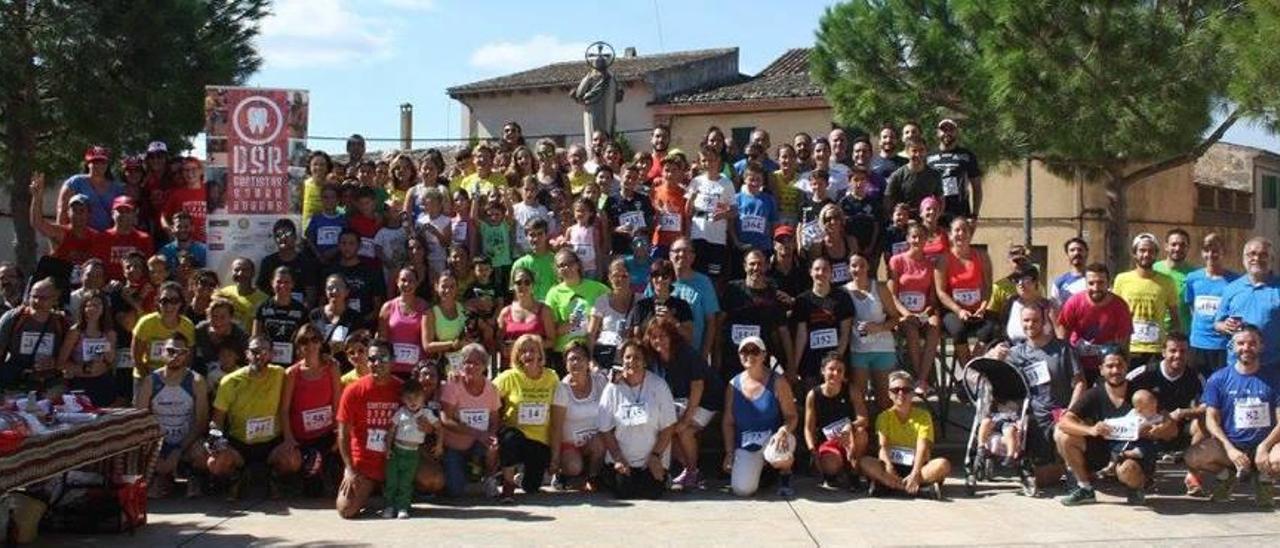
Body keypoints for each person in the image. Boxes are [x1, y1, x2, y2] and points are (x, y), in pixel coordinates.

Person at [988, 305, 1086, 486]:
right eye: (1026, 320)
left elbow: (1080, 383)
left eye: (1035, 320)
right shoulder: (1015, 353)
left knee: (1060, 443)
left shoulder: (1063, 349)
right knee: (1042, 481)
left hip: (1059, 413)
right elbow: (986, 373)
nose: (1030, 324)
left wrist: (1071, 411)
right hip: (1033, 418)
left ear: (1045, 322)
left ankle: (1072, 467)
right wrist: (995, 356)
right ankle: (1052, 466)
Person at [1184, 327, 1280, 507]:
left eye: (1252, 343)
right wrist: (1229, 449)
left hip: (1266, 445)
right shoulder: (1218, 379)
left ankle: (1264, 479)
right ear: (1232, 347)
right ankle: (1226, 475)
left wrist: (1264, 446)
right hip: (1233, 446)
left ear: (1261, 347)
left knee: (1278, 460)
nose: (1246, 348)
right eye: (1241, 343)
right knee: (1192, 457)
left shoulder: (1275, 378)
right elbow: (1211, 419)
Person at [1056, 353, 1157, 505]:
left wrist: (1154, 431)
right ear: (1101, 370)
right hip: (1103, 450)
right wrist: (1090, 430)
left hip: (1132, 452)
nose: (1115, 370)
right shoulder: (1094, 394)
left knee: (1128, 469)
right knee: (1064, 437)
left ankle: (1136, 488)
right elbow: (1064, 421)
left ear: (1126, 367)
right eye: (1110, 366)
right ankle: (1085, 488)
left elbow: (1168, 424)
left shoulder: (1140, 395)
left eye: (1119, 365)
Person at [208, 335, 290, 500]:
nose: (259, 355)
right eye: (254, 351)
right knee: (214, 464)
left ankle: (273, 477)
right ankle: (236, 477)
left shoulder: (280, 374)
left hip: (271, 442)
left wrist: (326, 358)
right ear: (247, 354)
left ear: (272, 355)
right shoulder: (229, 381)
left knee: (293, 460)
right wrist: (216, 443)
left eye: (264, 351)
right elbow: (217, 420)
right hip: (240, 443)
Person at [644, 317, 722, 491]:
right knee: (666, 428)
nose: (658, 341)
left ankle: (693, 472)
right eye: (654, 336)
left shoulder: (687, 354)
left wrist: (686, 419)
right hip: (680, 400)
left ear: (672, 336)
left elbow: (698, 386)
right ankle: (687, 468)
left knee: (684, 430)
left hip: (706, 400)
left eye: (662, 336)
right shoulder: (654, 358)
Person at [1126, 333, 1207, 495]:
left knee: (1203, 423)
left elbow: (1208, 406)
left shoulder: (1195, 377)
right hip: (1148, 427)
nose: (1178, 355)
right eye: (1173, 351)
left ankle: (1193, 475)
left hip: (1180, 427)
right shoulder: (1144, 373)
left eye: (1183, 351)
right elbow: (1122, 400)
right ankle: (1144, 473)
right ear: (1163, 352)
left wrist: (1184, 412)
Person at [598, 340, 678, 499]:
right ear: (622, 359)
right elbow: (604, 429)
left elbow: (669, 426)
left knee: (652, 493)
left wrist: (656, 457)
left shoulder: (659, 385)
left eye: (637, 358)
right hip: (622, 460)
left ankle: (664, 475)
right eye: (627, 357)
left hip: (652, 459)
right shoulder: (612, 388)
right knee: (624, 492)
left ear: (645, 361)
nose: (632, 362)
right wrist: (618, 458)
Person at [721, 336, 799, 497]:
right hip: (745, 444)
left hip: (772, 440)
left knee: (779, 454)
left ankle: (785, 474)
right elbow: (728, 422)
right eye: (744, 351)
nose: (749, 355)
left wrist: (783, 431)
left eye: (755, 351)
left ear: (764, 355)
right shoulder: (732, 385)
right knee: (742, 490)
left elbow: (791, 416)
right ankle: (762, 471)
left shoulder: (778, 381)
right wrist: (729, 453)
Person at [134, 334, 208, 498]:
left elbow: (201, 423)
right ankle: (161, 477)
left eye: (180, 352)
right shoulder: (150, 382)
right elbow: (140, 421)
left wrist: (178, 450)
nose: (175, 356)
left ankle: (192, 476)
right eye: (170, 350)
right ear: (162, 352)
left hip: (187, 441)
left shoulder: (196, 381)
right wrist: (156, 451)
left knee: (203, 453)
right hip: (158, 441)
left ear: (187, 354)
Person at [335, 340, 402, 517]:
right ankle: (374, 489)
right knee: (346, 509)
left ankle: (397, 488)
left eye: (383, 358)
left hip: (396, 460)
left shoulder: (402, 389)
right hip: (364, 462)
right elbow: (343, 434)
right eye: (372, 359)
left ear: (393, 360)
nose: (377, 363)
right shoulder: (353, 390)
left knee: (434, 480)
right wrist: (349, 468)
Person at [494, 334, 563, 503]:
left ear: (540, 354)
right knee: (510, 438)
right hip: (515, 437)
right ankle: (508, 486)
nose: (528, 354)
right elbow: (486, 393)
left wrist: (555, 457)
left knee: (532, 487)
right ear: (517, 355)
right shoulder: (509, 376)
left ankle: (521, 478)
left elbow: (557, 416)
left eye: (532, 350)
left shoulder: (551, 377)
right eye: (523, 351)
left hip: (540, 441)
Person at [860, 371, 950, 499]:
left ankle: (890, 486)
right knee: (864, 462)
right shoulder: (884, 417)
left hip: (917, 464)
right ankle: (915, 489)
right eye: (896, 390)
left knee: (943, 464)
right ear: (889, 394)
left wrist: (915, 472)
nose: (901, 394)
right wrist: (888, 467)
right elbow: (882, 447)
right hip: (892, 465)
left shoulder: (923, 416)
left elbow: (922, 446)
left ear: (913, 393)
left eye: (906, 390)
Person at [277, 325, 343, 495]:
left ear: (321, 343)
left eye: (314, 339)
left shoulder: (332, 368)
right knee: (294, 464)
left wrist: (339, 434)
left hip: (326, 435)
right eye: (304, 341)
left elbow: (338, 404)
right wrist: (289, 439)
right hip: (302, 438)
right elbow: (284, 410)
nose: (310, 345)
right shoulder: (292, 373)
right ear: (298, 346)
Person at [440, 344, 502, 498]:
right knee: (455, 492)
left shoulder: (492, 389)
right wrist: (476, 433)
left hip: (480, 443)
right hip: (456, 445)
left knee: (493, 446)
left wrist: (491, 436)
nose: (471, 366)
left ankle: (490, 478)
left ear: (484, 366)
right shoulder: (453, 385)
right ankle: (463, 472)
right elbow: (445, 419)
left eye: (476, 363)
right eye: (467, 362)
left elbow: (495, 419)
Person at [718, 250, 791, 380]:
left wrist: (791, 365)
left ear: (767, 266)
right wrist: (716, 359)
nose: (756, 268)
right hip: (731, 363)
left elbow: (783, 332)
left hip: (759, 365)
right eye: (752, 264)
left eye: (760, 264)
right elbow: (718, 325)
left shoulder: (774, 295)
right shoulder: (732, 290)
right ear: (745, 266)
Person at [1057, 263, 1133, 385]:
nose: (1096, 288)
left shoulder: (1120, 306)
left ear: (1108, 283)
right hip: (1078, 364)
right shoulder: (1074, 302)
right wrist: (1062, 366)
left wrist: (1123, 371)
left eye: (1101, 283)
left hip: (1106, 365)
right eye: (1091, 283)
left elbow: (1124, 344)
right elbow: (1062, 338)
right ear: (1085, 284)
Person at [1114, 233, 1181, 369]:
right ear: (1134, 254)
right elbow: (1114, 314)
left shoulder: (1167, 281)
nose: (1146, 255)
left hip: (1156, 350)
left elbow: (1175, 318)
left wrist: (1172, 344)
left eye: (1151, 251)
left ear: (1156, 254)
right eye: (1142, 250)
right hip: (1129, 348)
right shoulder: (1122, 279)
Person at [888, 222, 941, 393]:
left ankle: (922, 379)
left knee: (935, 324)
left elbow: (932, 299)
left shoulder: (930, 265)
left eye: (921, 236)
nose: (917, 240)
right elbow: (892, 295)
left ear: (927, 239)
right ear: (908, 238)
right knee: (911, 330)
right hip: (903, 313)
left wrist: (925, 313)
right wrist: (907, 313)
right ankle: (920, 379)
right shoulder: (897, 261)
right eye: (914, 236)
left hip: (922, 312)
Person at [1214, 237, 1280, 373]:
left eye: (1263, 255)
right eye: (1252, 254)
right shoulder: (1231, 288)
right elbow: (1217, 323)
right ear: (1244, 258)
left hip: (1272, 365)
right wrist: (1225, 326)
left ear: (1272, 260)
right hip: (1237, 365)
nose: (1257, 258)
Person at [804, 352, 869, 489]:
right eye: (831, 369)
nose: (835, 373)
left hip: (849, 437)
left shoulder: (851, 390)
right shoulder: (813, 395)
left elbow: (863, 418)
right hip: (828, 441)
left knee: (861, 433)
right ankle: (833, 474)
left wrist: (850, 426)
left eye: (840, 370)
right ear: (823, 371)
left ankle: (854, 473)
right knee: (830, 466)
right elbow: (808, 428)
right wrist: (812, 450)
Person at [790, 257, 855, 390]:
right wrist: (794, 366)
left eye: (825, 269)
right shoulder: (802, 300)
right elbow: (801, 335)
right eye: (817, 269)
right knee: (813, 398)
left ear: (831, 273)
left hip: (836, 359)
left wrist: (837, 361)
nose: (821, 273)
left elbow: (845, 334)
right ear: (810, 272)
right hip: (811, 361)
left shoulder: (842, 298)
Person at [935, 216, 993, 364]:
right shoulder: (944, 259)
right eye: (957, 230)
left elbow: (987, 286)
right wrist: (959, 310)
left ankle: (975, 363)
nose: (961, 234)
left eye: (965, 230)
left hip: (977, 310)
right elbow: (940, 292)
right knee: (959, 331)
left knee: (990, 329)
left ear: (970, 234)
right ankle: (965, 366)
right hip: (953, 310)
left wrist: (982, 308)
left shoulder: (982, 256)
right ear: (950, 234)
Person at [30, 174, 103, 290]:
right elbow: (38, 223)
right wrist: (37, 198)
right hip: (60, 285)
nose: (78, 214)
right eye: (74, 210)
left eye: (82, 210)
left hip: (85, 287)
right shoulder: (61, 232)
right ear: (68, 213)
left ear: (89, 214)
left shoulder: (96, 237)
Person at [845, 254, 899, 409]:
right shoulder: (843, 292)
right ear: (849, 269)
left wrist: (879, 328)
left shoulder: (880, 288)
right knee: (859, 400)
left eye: (862, 265)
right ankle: (863, 431)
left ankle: (884, 431)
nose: (858, 269)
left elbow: (895, 318)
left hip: (883, 348)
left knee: (885, 399)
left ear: (868, 267)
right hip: (858, 350)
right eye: (854, 266)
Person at [381, 379, 441, 519]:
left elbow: (439, 428)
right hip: (397, 451)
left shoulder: (426, 413)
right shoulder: (400, 412)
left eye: (417, 397)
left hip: (413, 452)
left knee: (406, 482)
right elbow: (391, 431)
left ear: (423, 397)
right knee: (392, 480)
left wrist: (439, 445)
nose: (413, 401)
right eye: (408, 398)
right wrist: (388, 448)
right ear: (403, 399)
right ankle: (389, 506)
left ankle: (403, 506)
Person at [552, 342, 607, 490]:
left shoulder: (600, 382)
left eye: (580, 358)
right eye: (572, 359)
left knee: (600, 443)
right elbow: (556, 427)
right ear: (566, 363)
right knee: (574, 467)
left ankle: (593, 478)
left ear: (588, 362)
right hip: (570, 446)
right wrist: (555, 459)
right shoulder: (561, 388)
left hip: (595, 443)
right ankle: (564, 476)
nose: (576, 362)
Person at [1183, 233, 1239, 376]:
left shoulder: (1235, 281)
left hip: (1222, 345)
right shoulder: (1192, 278)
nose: (1211, 254)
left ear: (1223, 252)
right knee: (1198, 386)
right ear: (1202, 253)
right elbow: (1192, 307)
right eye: (1207, 250)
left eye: (1215, 250)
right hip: (1198, 343)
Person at [545, 249, 609, 369]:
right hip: (564, 353)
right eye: (561, 266)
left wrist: (598, 326)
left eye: (569, 263)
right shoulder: (553, 293)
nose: (565, 268)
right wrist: (569, 325)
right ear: (557, 270)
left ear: (578, 264)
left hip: (593, 350)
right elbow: (550, 331)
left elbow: (613, 312)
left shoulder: (598, 288)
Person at [57, 289, 119, 406]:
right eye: (89, 305)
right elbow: (61, 363)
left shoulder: (109, 333)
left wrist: (107, 355)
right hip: (80, 384)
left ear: (104, 308)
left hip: (103, 382)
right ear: (83, 308)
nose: (92, 309)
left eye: (97, 305)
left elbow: (111, 361)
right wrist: (84, 369)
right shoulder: (75, 332)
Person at [663, 238, 720, 360]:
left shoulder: (704, 283)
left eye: (686, 251)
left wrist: (704, 356)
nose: (682, 254)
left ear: (693, 257)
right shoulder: (659, 279)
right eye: (677, 250)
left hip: (692, 355)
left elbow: (711, 322)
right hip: (661, 354)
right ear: (670, 255)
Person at [687, 145, 737, 282]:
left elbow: (734, 211)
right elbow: (689, 212)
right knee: (696, 274)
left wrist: (722, 215)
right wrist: (691, 198)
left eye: (711, 160)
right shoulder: (696, 182)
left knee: (714, 276)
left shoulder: (727, 183)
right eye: (704, 160)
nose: (708, 164)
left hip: (717, 239)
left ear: (718, 160)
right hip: (698, 236)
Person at [132, 282, 197, 380]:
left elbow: (188, 358)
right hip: (146, 373)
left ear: (181, 303)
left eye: (174, 301)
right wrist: (148, 380)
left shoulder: (188, 326)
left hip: (176, 376)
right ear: (158, 302)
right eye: (164, 301)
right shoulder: (146, 323)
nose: (169, 305)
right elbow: (137, 356)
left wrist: (176, 378)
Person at [926, 118, 983, 223]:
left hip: (959, 211)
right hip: (934, 211)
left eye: (951, 130)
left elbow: (977, 187)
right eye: (944, 130)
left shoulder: (967, 156)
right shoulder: (928, 157)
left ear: (957, 132)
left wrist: (974, 214)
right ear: (938, 133)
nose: (947, 133)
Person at [58, 145, 124, 232]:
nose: (99, 165)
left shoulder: (117, 187)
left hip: (107, 237)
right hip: (80, 236)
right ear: (88, 163)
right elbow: (62, 211)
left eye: (103, 162)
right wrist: (61, 238)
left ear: (108, 164)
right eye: (95, 161)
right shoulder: (75, 182)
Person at [256, 220, 321, 308]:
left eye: (287, 234)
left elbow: (311, 295)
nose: (283, 238)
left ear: (295, 237)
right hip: (273, 311)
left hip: (300, 311)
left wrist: (301, 313)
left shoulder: (307, 262)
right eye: (278, 235)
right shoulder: (268, 262)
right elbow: (261, 292)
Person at [253, 267, 308, 367]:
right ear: (272, 283)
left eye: (287, 282)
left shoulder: (301, 310)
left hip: (292, 363)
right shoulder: (262, 307)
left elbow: (304, 340)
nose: (282, 285)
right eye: (278, 282)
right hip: (267, 362)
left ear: (293, 284)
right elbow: (256, 337)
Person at [378, 268, 427, 377]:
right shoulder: (388, 307)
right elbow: (382, 341)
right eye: (403, 280)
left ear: (417, 283)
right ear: (397, 282)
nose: (407, 284)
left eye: (411, 281)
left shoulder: (425, 307)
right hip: (392, 370)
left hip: (417, 370)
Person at [587, 258, 635, 369]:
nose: (620, 280)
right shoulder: (601, 301)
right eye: (615, 276)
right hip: (604, 355)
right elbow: (591, 334)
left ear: (630, 277)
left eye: (624, 276)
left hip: (629, 357)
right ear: (609, 278)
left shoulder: (640, 301)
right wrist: (591, 360)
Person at [884, 138, 942, 218]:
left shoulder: (935, 175)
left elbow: (940, 199)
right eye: (914, 151)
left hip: (926, 220)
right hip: (904, 221)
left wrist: (936, 217)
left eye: (921, 150)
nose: (918, 154)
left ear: (926, 152)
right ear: (907, 152)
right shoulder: (897, 175)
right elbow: (888, 201)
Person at [101, 196, 155, 280]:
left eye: (128, 211)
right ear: (112, 214)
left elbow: (147, 268)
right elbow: (99, 267)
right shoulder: (103, 237)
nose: (124, 215)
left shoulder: (144, 239)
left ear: (134, 214)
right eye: (120, 211)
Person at [1153, 228, 1196, 331]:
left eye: (1182, 245)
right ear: (1166, 246)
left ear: (1188, 248)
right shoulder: (1154, 269)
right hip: (1156, 334)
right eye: (1174, 244)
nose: (1178, 248)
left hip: (1183, 336)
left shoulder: (1194, 275)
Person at [194, 298, 247, 379]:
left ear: (231, 318)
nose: (218, 321)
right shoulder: (200, 331)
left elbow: (245, 363)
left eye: (223, 317)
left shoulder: (240, 336)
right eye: (214, 316)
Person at [311, 274, 363, 357]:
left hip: (345, 366)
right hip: (319, 365)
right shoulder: (314, 315)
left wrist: (343, 346)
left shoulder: (355, 317)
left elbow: (358, 345)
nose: (334, 291)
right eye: (330, 288)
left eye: (339, 287)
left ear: (347, 292)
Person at [160, 157, 209, 242]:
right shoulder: (177, 194)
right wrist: (170, 232)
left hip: (209, 243)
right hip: (185, 244)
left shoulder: (209, 190)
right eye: (186, 170)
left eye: (194, 169)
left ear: (201, 171)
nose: (190, 173)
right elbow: (163, 217)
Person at [214, 258, 268, 331]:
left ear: (253, 273)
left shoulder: (264, 300)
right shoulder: (223, 293)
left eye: (245, 270)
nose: (240, 273)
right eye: (236, 270)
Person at [511, 219, 557, 301]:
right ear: (526, 237)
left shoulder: (556, 261)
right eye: (532, 235)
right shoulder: (519, 264)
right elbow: (516, 296)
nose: (536, 239)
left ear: (546, 235)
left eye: (540, 234)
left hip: (550, 310)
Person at [1051, 238, 1090, 306]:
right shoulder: (1059, 282)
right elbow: (1055, 310)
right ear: (1067, 254)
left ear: (1086, 253)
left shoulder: (1095, 279)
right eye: (1072, 250)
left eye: (1080, 250)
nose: (1076, 253)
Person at [301, 151, 333, 231]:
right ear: (309, 167)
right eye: (315, 164)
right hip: (306, 232)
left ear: (327, 167)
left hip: (327, 230)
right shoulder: (303, 185)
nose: (318, 168)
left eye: (322, 165)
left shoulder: (332, 186)